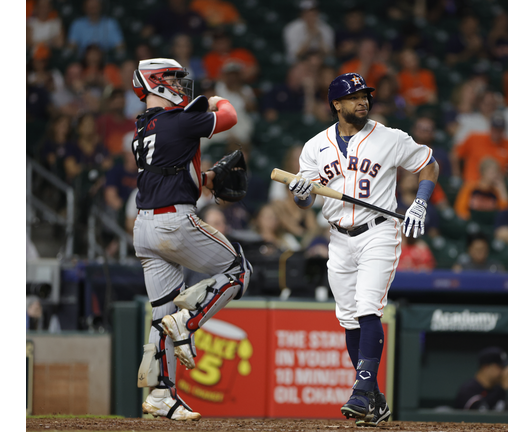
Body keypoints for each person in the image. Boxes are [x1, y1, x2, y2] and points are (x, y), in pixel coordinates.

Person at [287, 72, 439, 426]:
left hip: (379, 232)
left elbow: (428, 163)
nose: (363, 101)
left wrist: (420, 201)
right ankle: (375, 399)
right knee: (349, 319)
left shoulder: (388, 137)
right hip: (338, 237)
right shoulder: (315, 146)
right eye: (354, 96)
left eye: (365, 95)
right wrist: (300, 192)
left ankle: (360, 390)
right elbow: (303, 202)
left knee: (369, 308)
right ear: (336, 104)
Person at [130, 58, 253, 421]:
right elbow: (230, 119)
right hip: (174, 223)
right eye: (173, 78)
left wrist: (208, 177)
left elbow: (171, 171)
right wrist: (218, 101)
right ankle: (191, 320)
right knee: (239, 269)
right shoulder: (180, 119)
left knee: (162, 313)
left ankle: (161, 395)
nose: (181, 85)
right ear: (156, 83)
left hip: (144, 228)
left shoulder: (142, 127)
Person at [451, 114, 508, 184]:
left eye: (500, 130)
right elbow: (455, 154)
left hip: (495, 186)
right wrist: (456, 175)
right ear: (490, 127)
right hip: (472, 183)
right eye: (494, 128)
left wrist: (506, 173)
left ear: (504, 130)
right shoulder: (474, 138)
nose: (496, 132)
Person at [454, 347, 508, 411]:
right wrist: (502, 388)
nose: (503, 372)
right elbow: (480, 413)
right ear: (486, 367)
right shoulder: (468, 390)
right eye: (500, 367)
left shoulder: (495, 390)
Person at [283, 0, 335, 64]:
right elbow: (295, 55)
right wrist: (310, 37)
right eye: (306, 12)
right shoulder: (292, 28)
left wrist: (319, 38)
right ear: (301, 13)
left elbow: (329, 55)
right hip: (298, 63)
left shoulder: (325, 28)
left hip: (321, 64)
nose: (310, 15)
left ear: (317, 12)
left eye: (312, 11)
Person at [142, 0, 206, 41]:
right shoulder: (161, 14)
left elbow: (205, 34)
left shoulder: (194, 15)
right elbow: (145, 33)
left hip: (190, 53)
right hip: (166, 51)